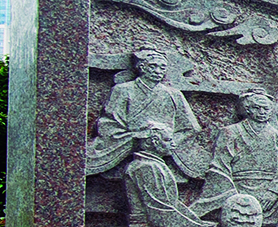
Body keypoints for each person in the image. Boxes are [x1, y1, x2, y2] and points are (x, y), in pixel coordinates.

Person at [86, 47, 206, 178]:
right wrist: (138, 136)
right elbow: (108, 124)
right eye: (153, 66)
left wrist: (166, 142)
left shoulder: (174, 94)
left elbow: (190, 128)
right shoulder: (122, 90)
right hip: (127, 146)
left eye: (162, 67)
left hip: (162, 150)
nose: (158, 71)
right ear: (142, 67)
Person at [192, 89, 278, 221]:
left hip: (269, 194)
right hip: (236, 189)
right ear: (247, 109)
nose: (262, 112)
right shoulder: (230, 132)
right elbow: (219, 166)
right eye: (256, 108)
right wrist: (234, 197)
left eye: (266, 108)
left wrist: (273, 193)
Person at [119, 122, 216, 227]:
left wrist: (198, 223)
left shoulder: (153, 165)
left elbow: (172, 203)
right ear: (152, 142)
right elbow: (158, 211)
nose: (173, 144)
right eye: (168, 140)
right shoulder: (146, 167)